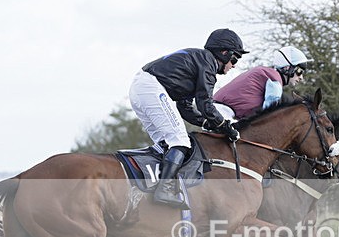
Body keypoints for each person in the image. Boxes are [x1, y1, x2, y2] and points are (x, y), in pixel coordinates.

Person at [129, 28, 248, 207]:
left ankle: (152, 184)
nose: (234, 65)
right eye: (234, 59)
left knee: (166, 144)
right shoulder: (208, 63)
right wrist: (225, 126)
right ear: (224, 53)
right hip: (150, 88)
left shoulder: (198, 62)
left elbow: (185, 108)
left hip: (141, 89)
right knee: (180, 141)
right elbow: (206, 105)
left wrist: (208, 123)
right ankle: (165, 189)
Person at [213, 46, 312, 120]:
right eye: (299, 71)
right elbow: (268, 116)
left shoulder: (267, 73)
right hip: (224, 112)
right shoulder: (274, 80)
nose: (301, 77)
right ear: (287, 68)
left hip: (219, 109)